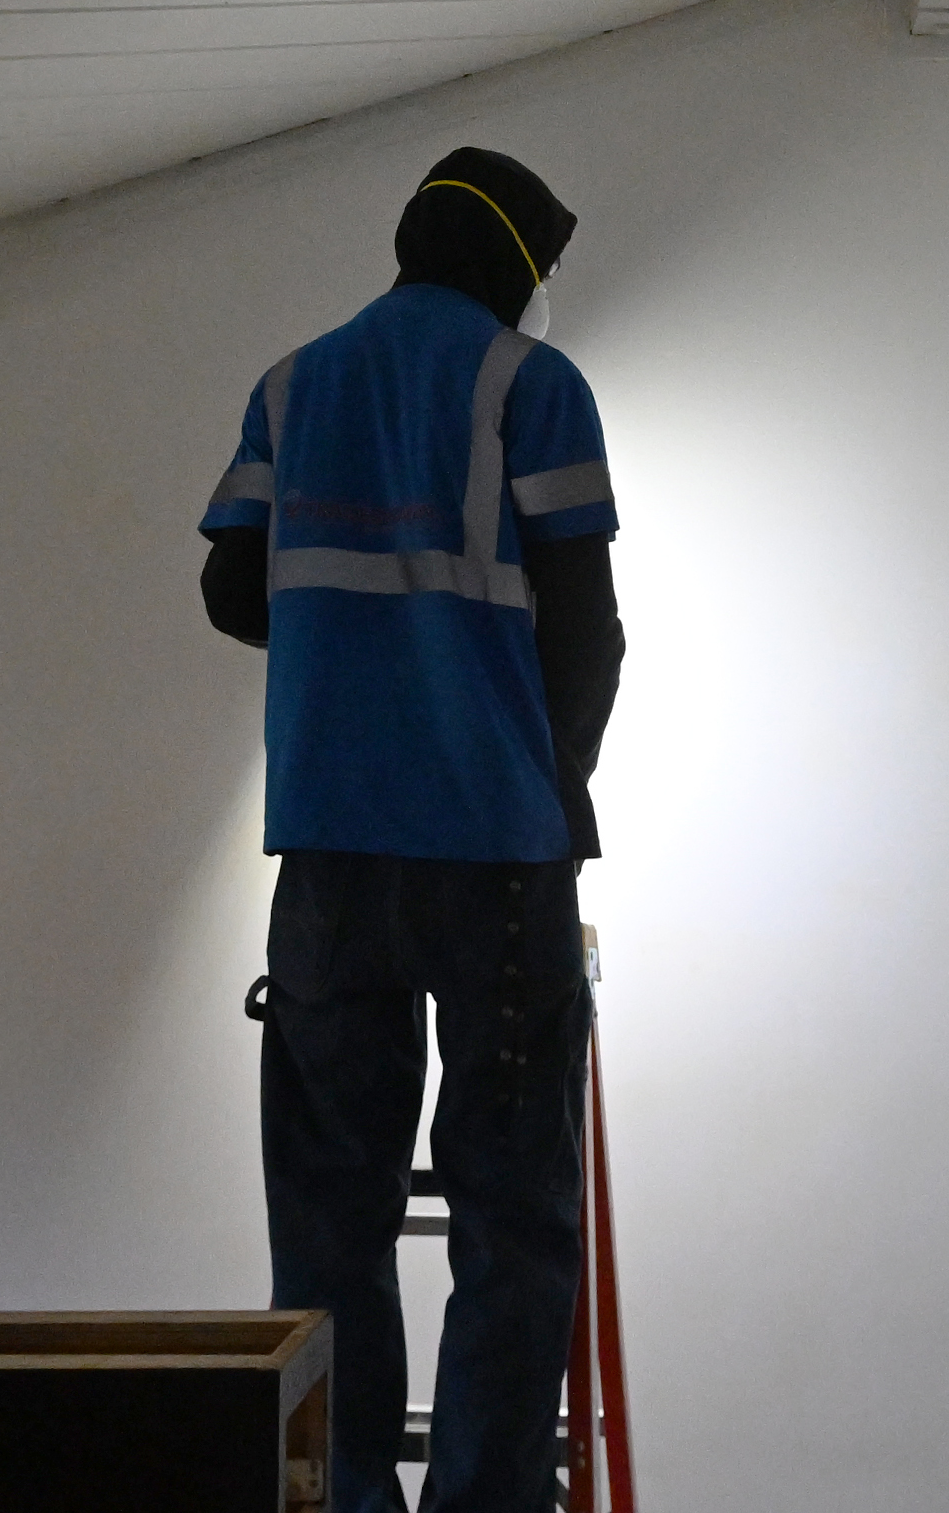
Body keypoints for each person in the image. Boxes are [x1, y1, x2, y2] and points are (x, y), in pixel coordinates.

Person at [198, 147, 627, 1513]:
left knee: (330, 1214)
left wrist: (352, 633)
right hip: (496, 850)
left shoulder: (293, 380)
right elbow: (588, 627)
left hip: (328, 848)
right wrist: (554, 785)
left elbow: (230, 589)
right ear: (514, 262)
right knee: (511, 1213)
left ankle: (346, 1503)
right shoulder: (532, 384)